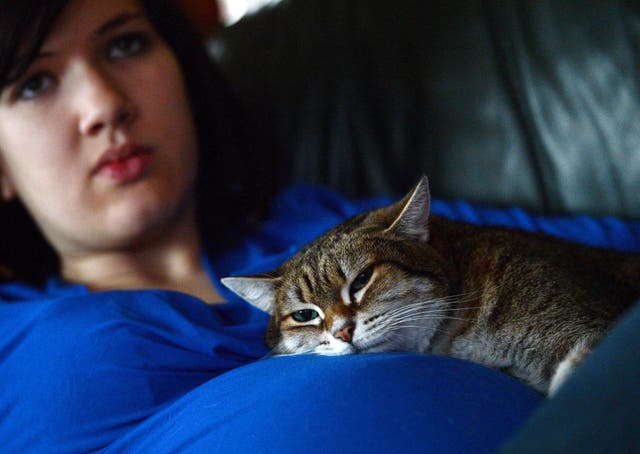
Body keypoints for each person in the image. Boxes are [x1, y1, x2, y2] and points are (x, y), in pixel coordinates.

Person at [0, 0, 560, 452]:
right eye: (34, 82)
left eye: (125, 44)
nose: (104, 104)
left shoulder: (333, 225)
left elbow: (596, 280)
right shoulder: (11, 328)